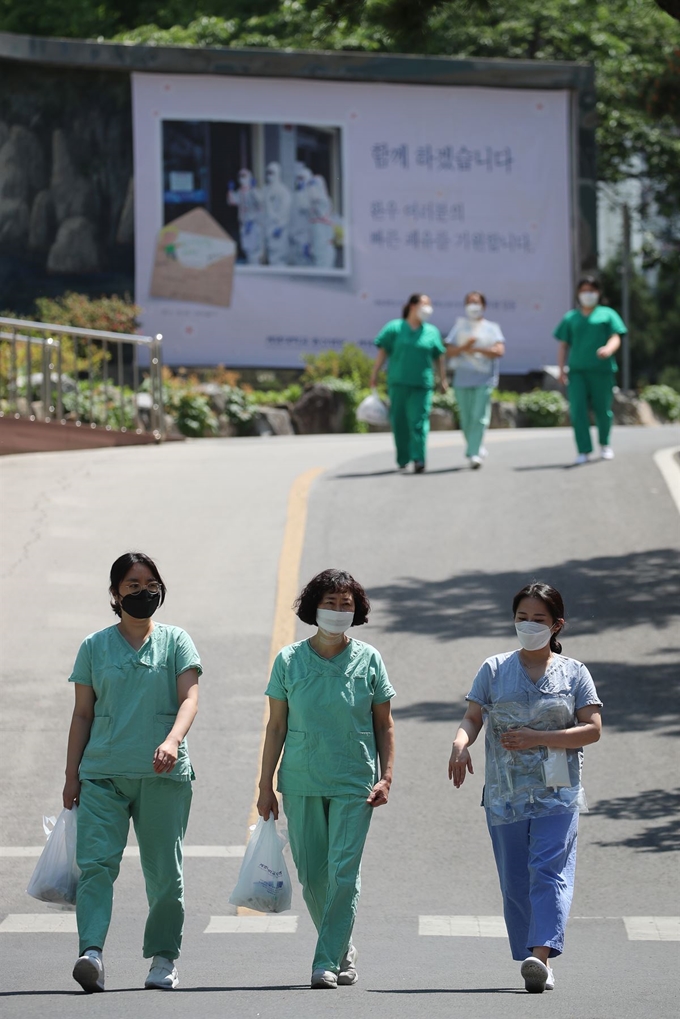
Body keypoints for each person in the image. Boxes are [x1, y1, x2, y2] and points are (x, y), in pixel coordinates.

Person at [449, 582, 602, 994]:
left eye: (538, 619)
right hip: (505, 793)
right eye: (522, 618)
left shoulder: (574, 673)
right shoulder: (495, 669)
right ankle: (530, 954)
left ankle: (542, 957)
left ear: (556, 625)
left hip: (558, 790)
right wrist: (460, 744)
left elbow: (592, 729)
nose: (529, 625)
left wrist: (539, 737)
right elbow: (473, 717)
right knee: (516, 879)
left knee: (548, 871)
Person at [63, 552, 201, 994]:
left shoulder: (177, 641)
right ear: (114, 594)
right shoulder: (93, 646)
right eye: (132, 586)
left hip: (162, 773)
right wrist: (71, 774)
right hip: (102, 772)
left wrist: (172, 741)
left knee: (164, 872)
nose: (143, 594)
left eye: (149, 585)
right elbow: (83, 714)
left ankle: (163, 958)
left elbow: (190, 699)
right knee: (96, 866)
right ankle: (92, 954)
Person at [257, 569, 395, 990]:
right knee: (313, 874)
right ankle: (341, 946)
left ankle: (324, 961)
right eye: (330, 603)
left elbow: (384, 725)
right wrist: (265, 786)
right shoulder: (288, 660)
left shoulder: (369, 660)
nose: (338, 611)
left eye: (346, 604)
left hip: (354, 781)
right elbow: (276, 726)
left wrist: (386, 775)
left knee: (344, 873)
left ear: (357, 611)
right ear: (313, 607)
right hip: (299, 780)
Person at [370, 294, 448, 473]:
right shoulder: (394, 328)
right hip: (398, 383)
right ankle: (403, 458)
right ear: (412, 306)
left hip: (422, 385)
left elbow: (439, 357)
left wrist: (442, 380)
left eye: (430, 304)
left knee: (418, 422)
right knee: (399, 422)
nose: (428, 308)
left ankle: (419, 458)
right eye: (424, 304)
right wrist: (374, 374)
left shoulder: (431, 332)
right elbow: (383, 352)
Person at [554, 276, 626, 465]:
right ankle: (583, 450)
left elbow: (616, 336)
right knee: (577, 411)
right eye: (584, 290)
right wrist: (561, 370)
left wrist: (609, 349)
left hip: (601, 371)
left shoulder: (607, 314)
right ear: (578, 294)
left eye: (592, 290)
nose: (588, 294)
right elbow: (563, 345)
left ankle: (605, 443)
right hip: (577, 372)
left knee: (602, 410)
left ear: (598, 292)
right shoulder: (571, 318)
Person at [445, 291, 505, 469]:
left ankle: (474, 452)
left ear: (483, 306)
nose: (473, 306)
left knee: (479, 416)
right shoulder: (460, 327)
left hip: (483, 378)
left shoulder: (491, 328)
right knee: (466, 418)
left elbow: (499, 351)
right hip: (462, 378)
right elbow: (449, 351)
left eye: (476, 302)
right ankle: (475, 446)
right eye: (470, 302)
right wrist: (465, 347)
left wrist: (477, 350)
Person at [227, 168, 265, 265]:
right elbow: (232, 201)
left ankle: (255, 267)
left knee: (254, 249)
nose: (242, 179)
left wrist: (253, 189)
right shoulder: (240, 191)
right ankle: (251, 265)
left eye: (244, 176)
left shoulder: (254, 191)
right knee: (246, 247)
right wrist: (230, 191)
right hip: (244, 223)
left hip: (253, 224)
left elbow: (259, 201)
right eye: (240, 176)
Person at [263, 161, 292, 266]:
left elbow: (286, 210)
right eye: (268, 173)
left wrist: (280, 226)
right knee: (271, 258)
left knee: (279, 259)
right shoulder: (266, 190)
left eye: (272, 173)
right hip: (268, 228)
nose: (269, 175)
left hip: (278, 229)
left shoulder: (283, 191)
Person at [309, 175, 336, 268]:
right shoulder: (313, 202)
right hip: (316, 238)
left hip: (323, 238)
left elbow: (321, 213)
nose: (312, 188)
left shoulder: (324, 200)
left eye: (314, 185)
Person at [289, 163, 314, 266]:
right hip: (293, 237)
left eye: (302, 178)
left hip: (305, 238)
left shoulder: (310, 196)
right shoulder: (294, 195)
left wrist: (308, 241)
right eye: (298, 178)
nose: (300, 181)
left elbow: (311, 219)